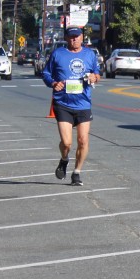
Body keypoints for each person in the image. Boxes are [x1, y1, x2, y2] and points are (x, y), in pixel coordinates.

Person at [42, 26, 101, 186]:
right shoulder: (58, 54)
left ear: (82, 37)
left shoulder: (89, 54)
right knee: (67, 142)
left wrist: (95, 77)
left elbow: (97, 73)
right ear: (66, 38)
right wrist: (53, 83)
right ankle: (64, 159)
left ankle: (77, 173)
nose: (74, 39)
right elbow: (46, 73)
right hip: (63, 103)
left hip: (83, 103)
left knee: (83, 140)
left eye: (77, 36)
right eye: (71, 36)